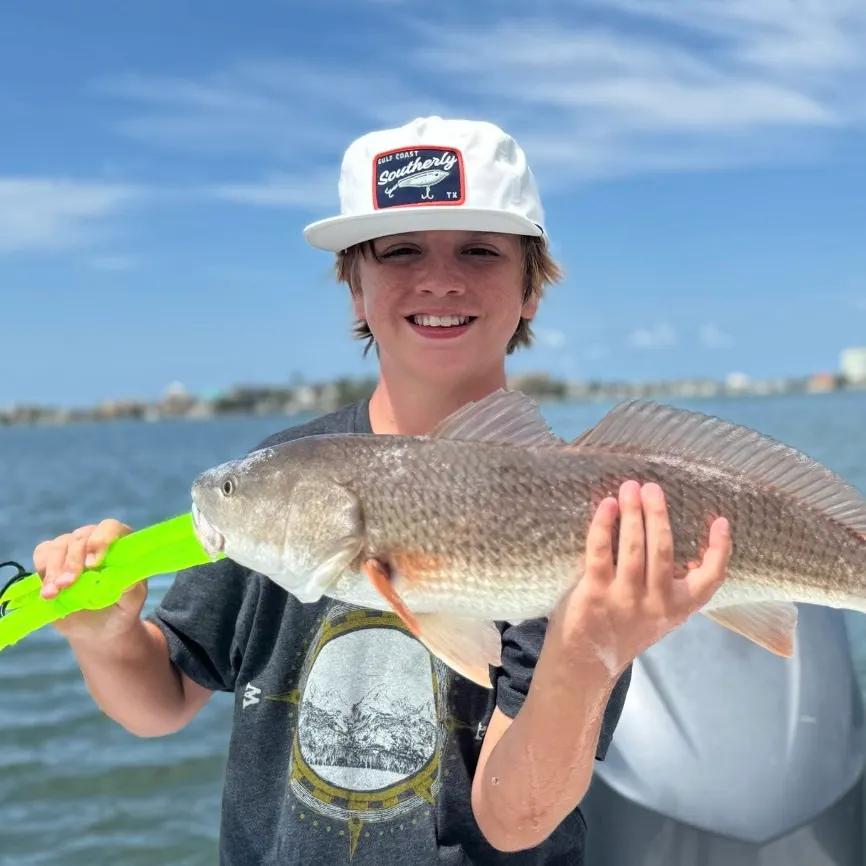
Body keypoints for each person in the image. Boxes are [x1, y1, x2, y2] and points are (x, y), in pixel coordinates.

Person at [32, 116, 732, 865]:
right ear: (354, 292)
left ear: (532, 287)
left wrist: (588, 652)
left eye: (479, 249)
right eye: (399, 251)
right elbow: (161, 701)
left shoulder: (590, 516)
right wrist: (104, 636)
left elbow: (515, 819)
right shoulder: (275, 479)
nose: (439, 278)